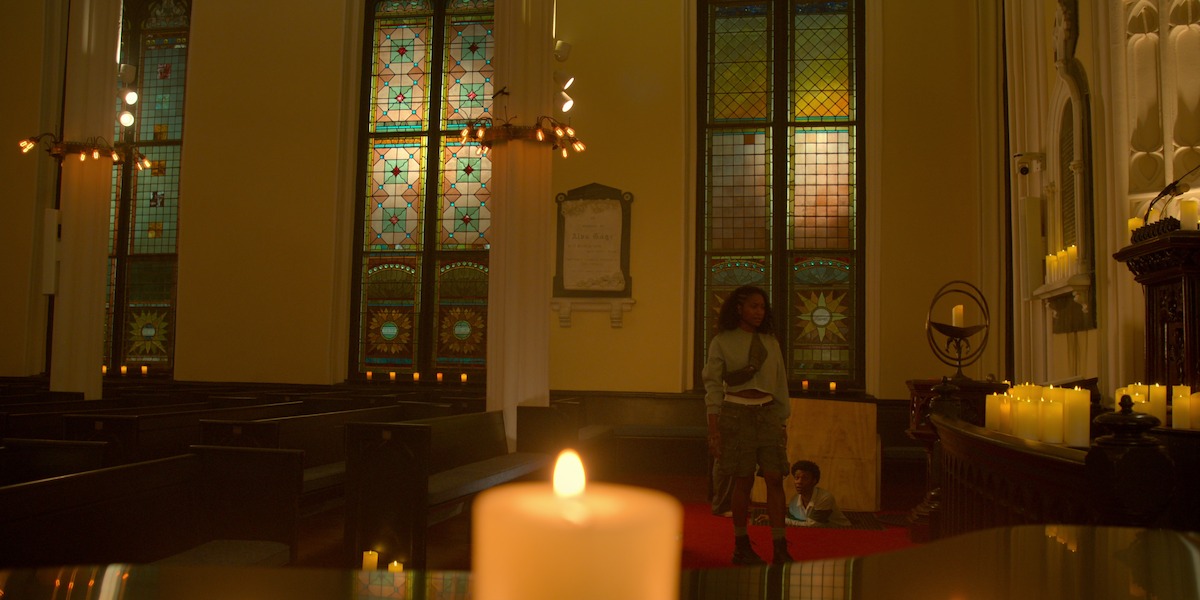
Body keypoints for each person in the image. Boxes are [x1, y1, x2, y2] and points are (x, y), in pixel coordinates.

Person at [702, 285, 793, 565]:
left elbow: (779, 382)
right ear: (739, 307)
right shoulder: (722, 341)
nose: (759, 312)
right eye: (753, 306)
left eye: (762, 307)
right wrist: (714, 428)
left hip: (766, 414)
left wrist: (781, 420)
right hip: (735, 414)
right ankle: (741, 544)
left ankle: (779, 545)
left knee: (776, 478)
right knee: (743, 480)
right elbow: (713, 385)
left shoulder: (770, 341)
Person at [787, 460, 851, 528]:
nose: (799, 482)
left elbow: (813, 525)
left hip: (842, 531)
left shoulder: (825, 498)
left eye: (805, 478)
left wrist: (783, 521)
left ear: (814, 481)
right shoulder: (794, 499)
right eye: (796, 478)